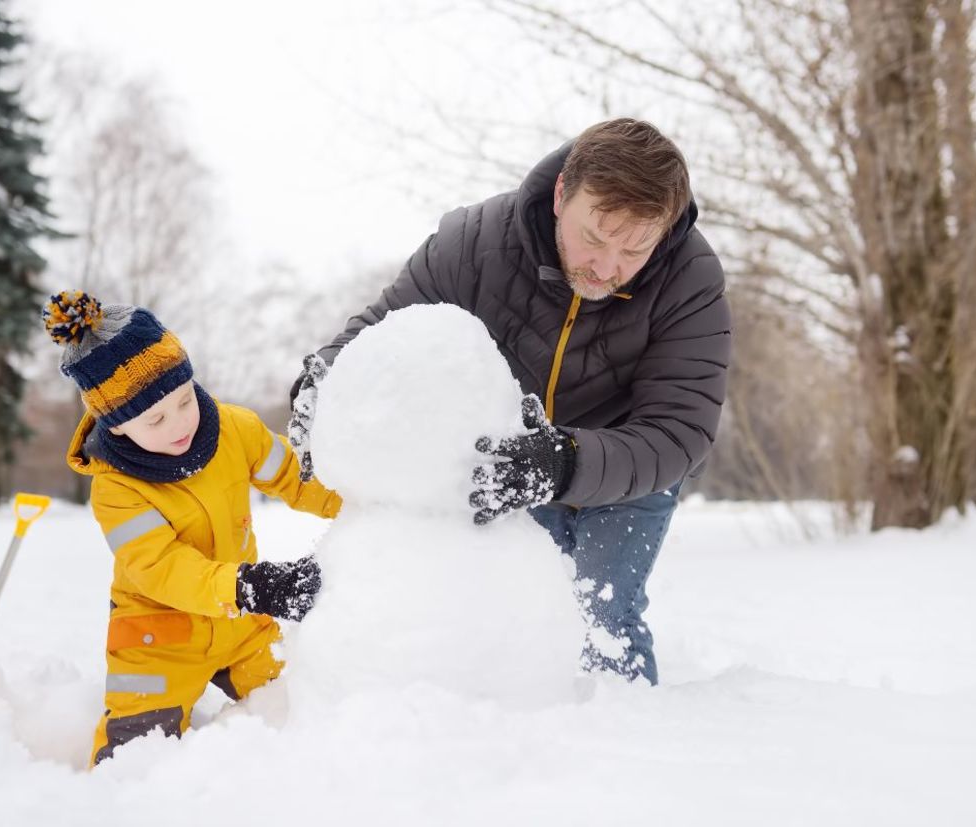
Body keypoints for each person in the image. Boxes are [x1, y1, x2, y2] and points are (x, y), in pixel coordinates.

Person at [289, 119, 730, 685]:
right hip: (515, 461)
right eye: (593, 238)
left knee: (604, 614)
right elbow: (380, 329)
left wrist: (566, 461)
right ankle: (524, 750)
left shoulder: (689, 280)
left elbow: (680, 432)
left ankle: (622, 755)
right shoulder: (475, 243)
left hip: (629, 467)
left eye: (634, 249)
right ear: (560, 195)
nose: (607, 266)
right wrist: (320, 386)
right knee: (526, 616)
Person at [44, 291, 341, 766]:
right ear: (117, 427)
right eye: (155, 418)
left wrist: (364, 502)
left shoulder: (234, 430)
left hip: (241, 627)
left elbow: (298, 479)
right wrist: (249, 586)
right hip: (158, 640)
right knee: (133, 758)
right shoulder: (116, 488)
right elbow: (162, 568)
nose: (180, 423)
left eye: (184, 400)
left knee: (301, 701)